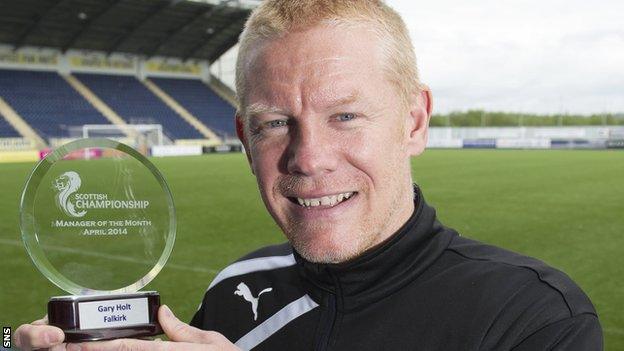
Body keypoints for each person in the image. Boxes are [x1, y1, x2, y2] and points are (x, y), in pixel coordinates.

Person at [16, 0, 602, 350]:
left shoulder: (532, 318)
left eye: (344, 115)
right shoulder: (234, 291)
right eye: (274, 124)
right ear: (245, 141)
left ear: (415, 121)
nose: (308, 158)